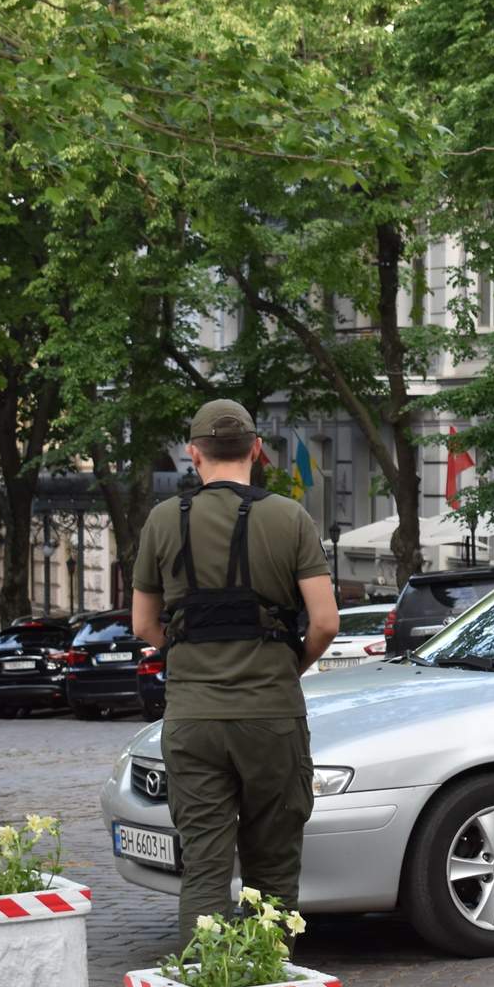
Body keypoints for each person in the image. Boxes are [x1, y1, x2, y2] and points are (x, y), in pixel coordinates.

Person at [131, 400, 340, 946]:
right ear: (257, 451)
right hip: (271, 716)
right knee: (272, 871)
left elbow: (143, 623)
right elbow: (325, 621)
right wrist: (290, 663)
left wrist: (188, 656)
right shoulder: (290, 517)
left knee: (204, 866)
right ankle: (267, 986)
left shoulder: (162, 520)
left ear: (193, 454)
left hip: (193, 720)